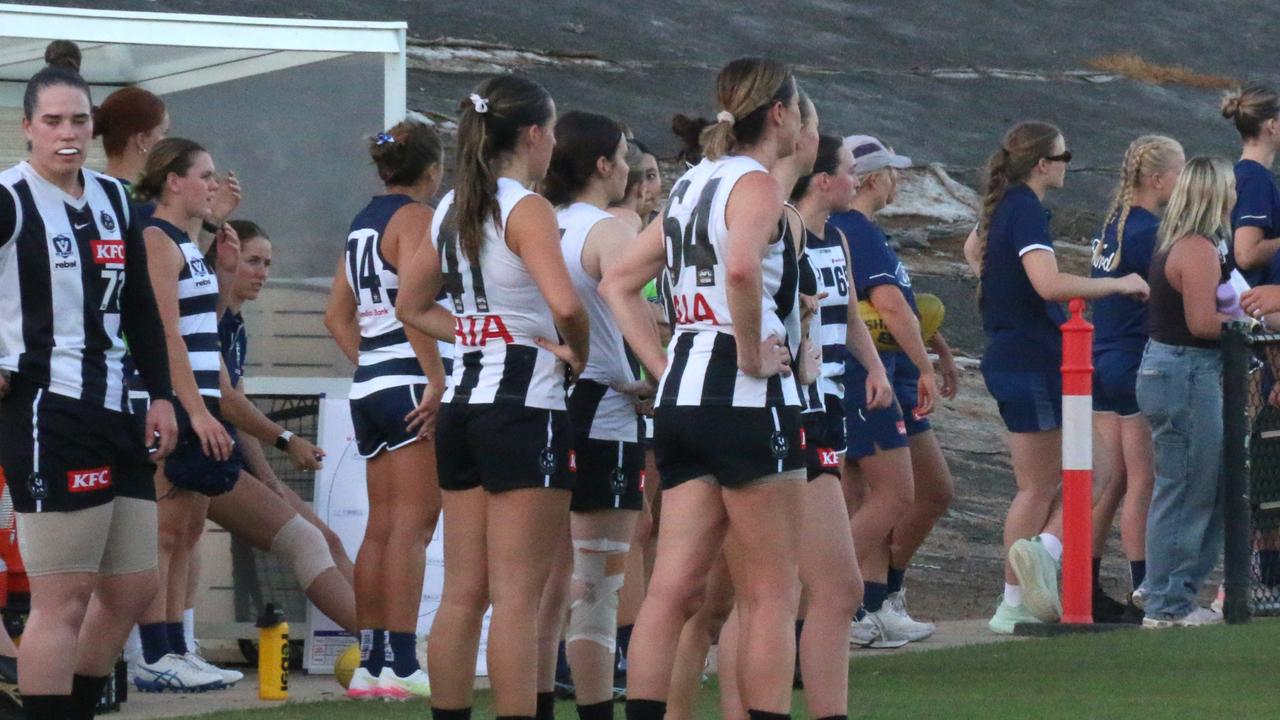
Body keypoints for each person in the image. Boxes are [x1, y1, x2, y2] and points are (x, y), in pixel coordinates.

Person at [599, 56, 806, 720]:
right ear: (778, 114)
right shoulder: (755, 184)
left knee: (670, 590)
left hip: (685, 396)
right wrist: (749, 350)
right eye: (798, 109)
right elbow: (742, 269)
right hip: (744, 398)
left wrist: (663, 369)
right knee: (772, 594)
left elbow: (618, 283)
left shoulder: (690, 184)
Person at [395, 75, 588, 720]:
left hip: (466, 406)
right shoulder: (524, 207)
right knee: (517, 597)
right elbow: (564, 303)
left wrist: (482, 329)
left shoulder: (452, 205)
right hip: (524, 407)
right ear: (533, 135)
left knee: (461, 594)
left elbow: (411, 306)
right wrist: (571, 345)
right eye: (552, 131)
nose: (555, 143)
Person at [0, 41, 178, 719]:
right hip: (49, 412)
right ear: (28, 127)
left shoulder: (113, 198)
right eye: (53, 121)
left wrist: (160, 393)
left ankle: (72, 705)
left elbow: (140, 307)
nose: (68, 133)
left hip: (119, 407)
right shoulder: (10, 198)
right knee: (62, 599)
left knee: (133, 586)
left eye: (78, 120)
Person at [131, 138, 348, 692]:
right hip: (180, 408)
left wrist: (214, 229)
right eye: (203, 176)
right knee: (164, 531)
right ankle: (156, 653)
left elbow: (204, 316)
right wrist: (195, 409)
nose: (213, 184)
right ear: (172, 181)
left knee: (184, 534)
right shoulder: (156, 238)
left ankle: (179, 648)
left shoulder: (184, 239)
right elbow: (164, 331)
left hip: (199, 406)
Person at [963, 121, 1148, 634]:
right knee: (1051, 484)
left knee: (1086, 472)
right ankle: (1022, 585)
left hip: (1018, 354)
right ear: (1043, 164)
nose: (1069, 165)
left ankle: (1029, 574)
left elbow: (971, 250)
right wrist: (1116, 284)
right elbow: (1047, 283)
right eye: (1064, 157)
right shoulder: (1022, 207)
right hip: (1029, 359)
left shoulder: (1009, 206)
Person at [323, 119, 446, 701]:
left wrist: (371, 363)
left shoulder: (361, 222)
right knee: (414, 529)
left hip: (371, 382)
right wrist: (436, 377)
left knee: (380, 526)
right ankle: (401, 659)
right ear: (432, 170)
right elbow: (413, 303)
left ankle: (372, 661)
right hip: (408, 380)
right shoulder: (419, 218)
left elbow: (335, 316)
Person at [534, 110, 646, 720]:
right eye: (624, 155)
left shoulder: (533, 223)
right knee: (597, 587)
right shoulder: (605, 231)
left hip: (542, 407)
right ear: (602, 165)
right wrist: (656, 377)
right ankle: (599, 710)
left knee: (547, 585)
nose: (628, 168)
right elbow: (638, 311)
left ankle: (539, 705)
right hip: (604, 410)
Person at [832, 135, 955, 644]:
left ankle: (874, 599)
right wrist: (924, 363)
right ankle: (830, 593)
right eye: (893, 172)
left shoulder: (866, 232)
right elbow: (886, 305)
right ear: (873, 177)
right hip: (867, 376)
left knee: (896, 493)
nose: (899, 181)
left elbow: (902, 301)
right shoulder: (853, 229)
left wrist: (936, 350)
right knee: (889, 494)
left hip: (884, 372)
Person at [1087, 136, 1185, 621]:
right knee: (1142, 477)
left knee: (1115, 479)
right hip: (1130, 359)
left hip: (1101, 358)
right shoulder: (1147, 231)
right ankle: (1144, 589)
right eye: (1179, 170)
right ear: (1158, 179)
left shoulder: (1114, 226)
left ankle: (1084, 581)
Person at [1137, 156, 1237, 628]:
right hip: (1185, 373)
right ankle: (1166, 603)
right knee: (1186, 488)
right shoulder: (1195, 248)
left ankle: (1176, 595)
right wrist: (1249, 323)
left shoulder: (1193, 244)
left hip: (1182, 372)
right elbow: (1201, 322)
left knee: (1207, 488)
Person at [1222, 86, 1280, 285]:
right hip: (1251, 304)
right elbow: (1246, 254)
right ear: (1272, 125)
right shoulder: (1256, 180)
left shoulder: (1238, 173)